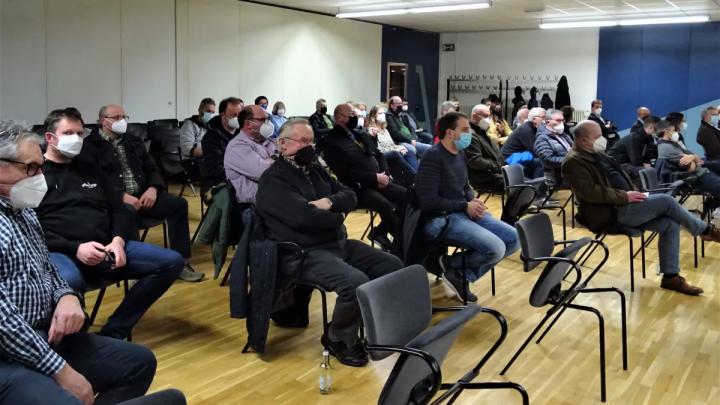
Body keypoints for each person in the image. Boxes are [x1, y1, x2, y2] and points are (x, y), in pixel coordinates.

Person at [0, 120, 159, 404]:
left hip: (45, 333)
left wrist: (66, 296)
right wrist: (60, 370)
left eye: (40, 167)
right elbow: (3, 322)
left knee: (139, 363)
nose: (39, 177)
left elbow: (46, 266)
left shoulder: (22, 210)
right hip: (7, 349)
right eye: (31, 168)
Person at [256, 118, 403, 367]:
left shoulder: (315, 169)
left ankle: (363, 322)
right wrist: (337, 216)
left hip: (336, 243)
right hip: (303, 253)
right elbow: (304, 217)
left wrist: (329, 203)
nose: (309, 147)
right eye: (302, 141)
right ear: (282, 143)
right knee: (355, 282)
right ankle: (338, 338)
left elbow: (350, 195)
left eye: (311, 141)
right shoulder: (273, 180)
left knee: (392, 266)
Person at [36, 109, 184, 340]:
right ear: (49, 138)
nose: (76, 139)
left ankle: (114, 331)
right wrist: (76, 248)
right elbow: (32, 229)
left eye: (79, 133)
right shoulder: (35, 175)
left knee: (171, 262)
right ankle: (76, 340)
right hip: (62, 251)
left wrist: (118, 240)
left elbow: (119, 208)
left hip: (107, 247)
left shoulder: (90, 167)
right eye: (68, 133)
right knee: (69, 281)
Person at [561, 120, 720, 295]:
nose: (603, 139)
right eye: (598, 136)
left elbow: (619, 176)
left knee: (670, 224)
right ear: (584, 140)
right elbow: (589, 192)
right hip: (609, 213)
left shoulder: (596, 153)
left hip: (625, 204)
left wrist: (635, 193)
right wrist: (626, 196)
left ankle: (671, 277)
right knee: (666, 201)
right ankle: (706, 231)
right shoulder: (573, 162)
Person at [88, 104, 203, 282]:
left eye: (124, 117)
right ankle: (135, 270)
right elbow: (94, 180)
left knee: (179, 204)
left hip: (144, 196)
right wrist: (121, 196)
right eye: (117, 117)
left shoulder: (134, 141)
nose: (122, 121)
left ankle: (181, 262)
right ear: (104, 121)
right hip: (115, 202)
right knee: (127, 211)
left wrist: (153, 189)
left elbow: (152, 168)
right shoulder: (90, 146)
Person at [416, 112, 519, 303]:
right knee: (496, 248)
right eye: (464, 129)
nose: (469, 133)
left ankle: (456, 270)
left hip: (461, 211)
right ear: (450, 133)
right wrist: (465, 205)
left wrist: (473, 200)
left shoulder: (460, 153)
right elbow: (428, 201)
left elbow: (465, 186)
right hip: (440, 218)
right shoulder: (433, 156)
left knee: (514, 239)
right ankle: (452, 269)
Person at [323, 103, 406, 251]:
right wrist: (374, 177)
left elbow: (379, 155)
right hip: (357, 188)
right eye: (352, 115)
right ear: (340, 118)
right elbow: (344, 174)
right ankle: (403, 245)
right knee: (384, 204)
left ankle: (380, 232)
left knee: (408, 197)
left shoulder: (359, 134)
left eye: (357, 115)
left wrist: (385, 175)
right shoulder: (331, 141)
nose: (356, 117)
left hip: (379, 181)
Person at [224, 105, 277, 204]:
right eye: (263, 120)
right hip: (255, 204)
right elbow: (263, 172)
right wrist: (277, 157)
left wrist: (271, 161)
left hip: (276, 194)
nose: (269, 124)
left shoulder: (270, 141)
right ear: (248, 123)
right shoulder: (237, 146)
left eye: (268, 119)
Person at [656, 119, 720, 196]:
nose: (676, 133)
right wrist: (693, 158)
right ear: (666, 132)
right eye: (674, 130)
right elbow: (691, 167)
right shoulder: (667, 148)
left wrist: (693, 157)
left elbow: (696, 158)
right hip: (693, 176)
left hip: (698, 172)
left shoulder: (673, 143)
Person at [200, 97, 243, 199]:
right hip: (216, 182)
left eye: (239, 115)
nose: (237, 118)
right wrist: (240, 177)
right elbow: (215, 168)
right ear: (223, 115)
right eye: (234, 115)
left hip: (240, 178)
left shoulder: (242, 134)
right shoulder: (211, 137)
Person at [608, 115, 660, 186]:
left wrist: (649, 164)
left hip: (628, 162)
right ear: (651, 127)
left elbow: (648, 155)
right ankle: (645, 191)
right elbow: (635, 161)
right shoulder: (634, 138)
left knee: (653, 168)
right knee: (644, 171)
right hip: (617, 164)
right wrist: (647, 166)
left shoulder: (648, 137)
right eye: (658, 128)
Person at [366, 104, 418, 174]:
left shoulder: (385, 130)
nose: (383, 115)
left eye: (383, 113)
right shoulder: (371, 130)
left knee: (409, 151)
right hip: (382, 154)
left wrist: (401, 148)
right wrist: (397, 150)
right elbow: (379, 149)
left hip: (392, 151)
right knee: (396, 153)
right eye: (380, 113)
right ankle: (414, 175)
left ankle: (415, 175)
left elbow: (392, 145)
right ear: (373, 117)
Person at [466, 104, 505, 193]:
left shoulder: (482, 132)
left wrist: (503, 165)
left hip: (494, 174)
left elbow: (495, 154)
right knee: (520, 185)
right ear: (474, 116)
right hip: (483, 179)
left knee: (523, 181)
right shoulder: (470, 135)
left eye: (489, 116)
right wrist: (497, 165)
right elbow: (475, 161)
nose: (488, 120)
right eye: (485, 116)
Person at [501, 107, 546, 179]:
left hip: (522, 155)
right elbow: (535, 151)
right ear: (534, 119)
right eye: (543, 117)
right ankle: (537, 184)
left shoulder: (535, 128)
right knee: (540, 161)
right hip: (510, 158)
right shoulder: (526, 130)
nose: (545, 120)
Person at [534, 109, 574, 185]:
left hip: (569, 172)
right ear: (548, 122)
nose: (561, 123)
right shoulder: (542, 139)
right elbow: (548, 160)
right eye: (558, 120)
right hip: (556, 177)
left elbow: (574, 149)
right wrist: (572, 161)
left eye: (562, 120)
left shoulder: (564, 135)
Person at [696, 106, 720, 174]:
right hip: (716, 161)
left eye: (717, 115)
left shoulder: (711, 127)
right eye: (714, 115)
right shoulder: (705, 131)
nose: (717, 117)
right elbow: (716, 150)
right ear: (706, 117)